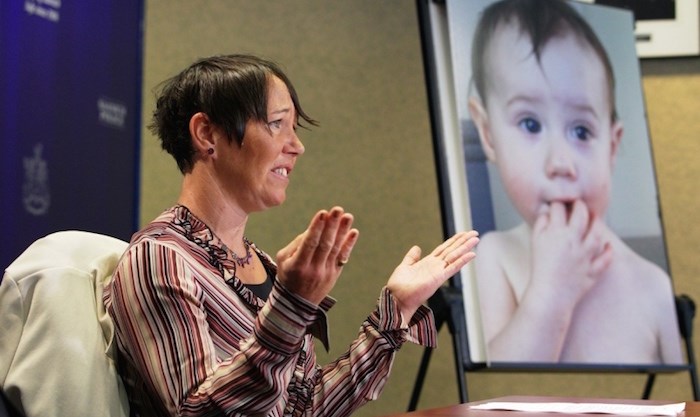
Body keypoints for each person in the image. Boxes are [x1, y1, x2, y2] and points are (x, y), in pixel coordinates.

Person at [104, 54, 480, 417]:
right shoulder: (159, 259)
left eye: (295, 129)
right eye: (276, 124)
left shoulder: (262, 264)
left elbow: (303, 408)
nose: (296, 145)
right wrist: (291, 306)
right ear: (207, 134)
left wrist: (395, 313)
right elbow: (197, 411)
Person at [466, 0, 682, 364]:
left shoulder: (652, 285)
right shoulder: (495, 257)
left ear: (612, 146)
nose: (561, 163)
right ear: (488, 133)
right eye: (530, 124)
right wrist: (551, 293)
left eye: (581, 130)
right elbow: (494, 383)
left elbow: (683, 400)